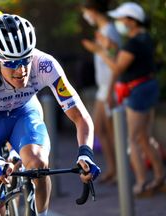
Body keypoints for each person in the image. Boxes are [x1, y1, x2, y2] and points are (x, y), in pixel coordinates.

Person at [0, 14, 101, 215]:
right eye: (10, 63)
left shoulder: (45, 64)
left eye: (25, 59)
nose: (21, 70)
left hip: (23, 114)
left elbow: (80, 117)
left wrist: (86, 153)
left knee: (38, 164)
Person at [84, 2, 165, 196]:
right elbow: (124, 59)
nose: (119, 22)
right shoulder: (144, 38)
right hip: (147, 88)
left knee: (134, 139)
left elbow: (118, 67)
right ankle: (159, 177)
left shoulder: (134, 43)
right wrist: (110, 48)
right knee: (145, 137)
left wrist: (100, 51)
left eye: (121, 19)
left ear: (131, 21)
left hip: (137, 92)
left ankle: (141, 183)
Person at [81, 0, 121, 184]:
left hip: (110, 88)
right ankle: (113, 168)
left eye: (86, 11)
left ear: (93, 11)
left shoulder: (110, 31)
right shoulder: (103, 32)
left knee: (114, 132)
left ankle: (120, 171)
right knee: (100, 128)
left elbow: (116, 63)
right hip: (103, 88)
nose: (86, 16)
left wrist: (111, 90)